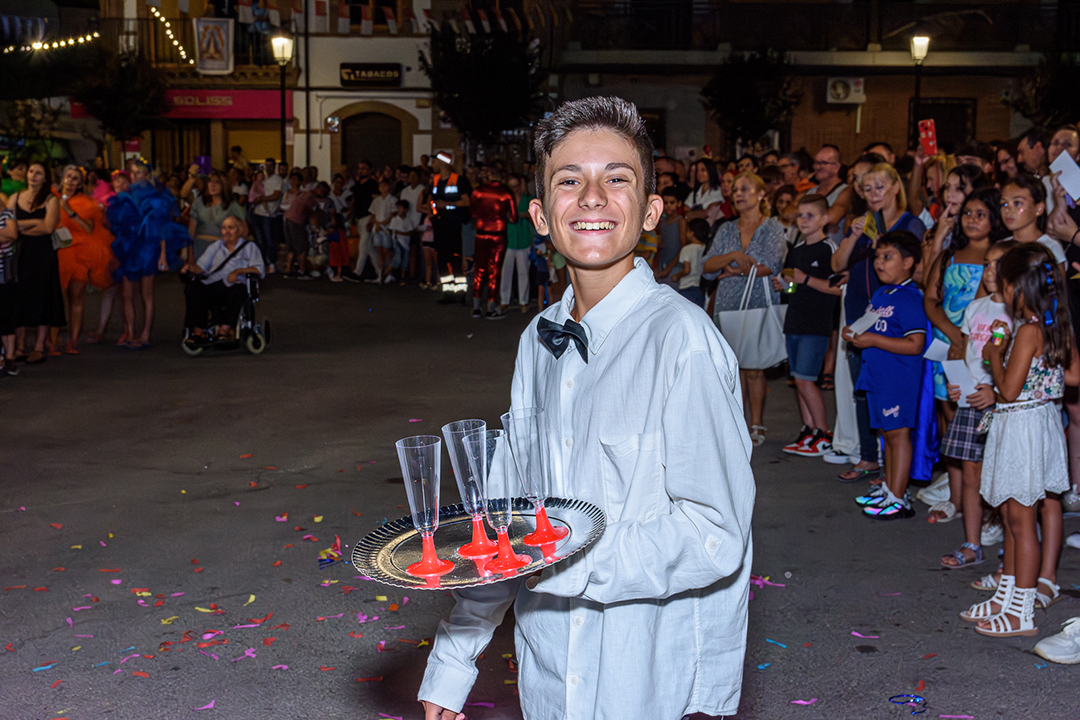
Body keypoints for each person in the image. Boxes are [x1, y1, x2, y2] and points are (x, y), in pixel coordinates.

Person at [417, 94, 755, 720]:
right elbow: (506, 513)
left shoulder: (682, 341)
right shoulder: (536, 340)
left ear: (651, 209)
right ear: (542, 215)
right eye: (570, 181)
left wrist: (564, 563)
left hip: (644, 672)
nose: (593, 197)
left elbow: (714, 536)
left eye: (616, 179)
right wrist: (455, 660)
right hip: (548, 666)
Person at [961, 244, 1078, 637]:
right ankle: (1007, 597)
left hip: (1022, 425)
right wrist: (1046, 379)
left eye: (1006, 283)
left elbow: (1008, 390)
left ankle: (1021, 612)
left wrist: (995, 353)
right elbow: (1074, 376)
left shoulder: (1028, 330)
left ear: (1017, 287)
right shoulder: (1050, 325)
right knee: (1012, 517)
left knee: (1021, 520)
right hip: (1034, 422)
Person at [924, 188, 1006, 523]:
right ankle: (957, 497)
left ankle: (986, 505)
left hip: (978, 348)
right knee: (949, 418)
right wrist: (954, 334)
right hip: (947, 343)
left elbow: (983, 308)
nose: (972, 219)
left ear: (994, 220)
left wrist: (966, 339)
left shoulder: (998, 260)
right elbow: (930, 300)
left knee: (978, 425)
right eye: (967, 213)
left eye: (981, 214)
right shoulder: (948, 257)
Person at [843, 230, 930, 520]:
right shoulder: (881, 294)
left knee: (898, 436)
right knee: (886, 435)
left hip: (898, 379)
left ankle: (898, 497)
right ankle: (891, 489)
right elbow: (868, 325)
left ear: (908, 262)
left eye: (888, 257)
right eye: (878, 257)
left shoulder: (909, 298)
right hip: (878, 377)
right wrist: (854, 332)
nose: (880, 263)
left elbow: (915, 344)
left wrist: (873, 341)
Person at [940, 240, 1015, 568]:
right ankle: (972, 543)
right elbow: (968, 352)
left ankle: (1009, 551)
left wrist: (995, 394)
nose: (990, 271)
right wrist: (957, 384)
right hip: (971, 400)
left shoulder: (1016, 314)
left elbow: (1016, 364)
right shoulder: (976, 308)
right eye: (987, 263)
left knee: (1003, 477)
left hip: (1002, 402)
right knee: (971, 475)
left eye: (999, 264)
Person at [702, 172, 787, 446]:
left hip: (758, 301)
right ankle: (736, 422)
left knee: (754, 367)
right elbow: (707, 265)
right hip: (727, 303)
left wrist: (731, 272)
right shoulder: (726, 229)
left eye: (745, 189)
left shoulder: (772, 228)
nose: (738, 194)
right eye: (736, 189)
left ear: (761, 195)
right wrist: (734, 257)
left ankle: (757, 423)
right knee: (732, 366)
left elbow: (771, 265)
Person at [775, 194, 841, 457]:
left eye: (810, 215)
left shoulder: (828, 249)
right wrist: (785, 285)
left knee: (805, 379)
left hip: (816, 322)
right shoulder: (797, 249)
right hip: (795, 319)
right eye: (800, 215)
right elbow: (794, 285)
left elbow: (837, 289)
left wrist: (805, 280)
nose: (803, 220)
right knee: (798, 378)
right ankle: (809, 429)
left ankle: (824, 433)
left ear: (825, 219)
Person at [106, 162, 190, 349]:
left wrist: (162, 255)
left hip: (148, 249)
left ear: (148, 175)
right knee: (127, 293)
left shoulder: (155, 198)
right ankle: (131, 332)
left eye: (140, 173)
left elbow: (161, 229)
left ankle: (145, 334)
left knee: (147, 293)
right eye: (133, 173)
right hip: (129, 247)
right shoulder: (126, 196)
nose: (136, 177)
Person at [55, 165, 116, 353]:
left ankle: (72, 340)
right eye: (68, 177)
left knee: (77, 296)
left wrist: (69, 211)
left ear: (80, 183)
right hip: (56, 251)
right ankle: (52, 339)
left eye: (75, 178)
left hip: (78, 254)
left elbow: (89, 229)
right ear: (62, 178)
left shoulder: (87, 203)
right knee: (57, 299)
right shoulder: (51, 198)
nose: (71, 181)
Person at [7, 161, 62, 364]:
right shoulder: (15, 198)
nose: (33, 176)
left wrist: (20, 228)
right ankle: (20, 346)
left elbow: (48, 228)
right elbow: (8, 226)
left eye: (38, 173)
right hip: (20, 253)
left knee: (42, 297)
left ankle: (39, 346)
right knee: (18, 296)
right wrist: (33, 222)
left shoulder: (51, 200)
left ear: (45, 178)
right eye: (31, 171)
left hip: (42, 254)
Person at [181, 215, 264, 344]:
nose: (226, 231)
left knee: (239, 290)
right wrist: (189, 268)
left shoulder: (249, 247)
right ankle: (198, 331)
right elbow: (201, 267)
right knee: (193, 288)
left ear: (239, 230)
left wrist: (238, 271)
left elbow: (259, 269)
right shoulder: (215, 247)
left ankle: (224, 331)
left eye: (231, 227)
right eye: (224, 228)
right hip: (214, 283)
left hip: (235, 285)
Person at [469, 166, 516, 318]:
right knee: (494, 270)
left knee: (479, 268)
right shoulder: (506, 193)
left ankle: (476, 306)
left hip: (481, 233)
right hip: (498, 233)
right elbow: (514, 218)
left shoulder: (478, 191)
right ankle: (491, 305)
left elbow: (472, 213)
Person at [1000, 173, 1064, 265]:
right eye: (1004, 204)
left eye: (1017, 203)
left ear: (1038, 208)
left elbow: (1057, 279)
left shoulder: (1049, 247)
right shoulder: (1001, 247)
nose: (1007, 210)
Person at [429, 154, 471, 279]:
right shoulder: (435, 180)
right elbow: (431, 198)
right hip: (439, 223)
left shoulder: (459, 180)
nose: (433, 165)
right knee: (442, 257)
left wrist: (447, 204)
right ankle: (447, 292)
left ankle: (459, 293)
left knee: (455, 257)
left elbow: (467, 201)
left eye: (435, 162)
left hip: (454, 223)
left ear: (442, 163)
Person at [187, 172, 246, 262]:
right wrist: (190, 256)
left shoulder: (231, 205)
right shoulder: (199, 202)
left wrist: (233, 248)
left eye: (217, 182)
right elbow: (191, 232)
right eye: (210, 182)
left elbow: (244, 229)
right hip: (200, 247)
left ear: (223, 185)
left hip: (221, 248)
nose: (212, 185)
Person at [499, 173, 535, 313]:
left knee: (523, 272)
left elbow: (539, 220)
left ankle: (523, 301)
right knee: (506, 272)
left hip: (525, 239)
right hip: (508, 240)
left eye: (517, 185)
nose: (516, 189)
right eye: (512, 187)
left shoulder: (530, 200)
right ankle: (504, 300)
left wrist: (528, 216)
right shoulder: (505, 200)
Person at [250, 159, 284, 273]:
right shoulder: (263, 179)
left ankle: (272, 262)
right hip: (258, 212)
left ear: (274, 167)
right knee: (260, 240)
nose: (268, 168)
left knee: (269, 240)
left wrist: (262, 199)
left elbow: (275, 195)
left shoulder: (277, 179)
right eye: (267, 166)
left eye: (271, 166)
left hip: (268, 214)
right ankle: (263, 262)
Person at [668, 217, 708, 306]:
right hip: (700, 287)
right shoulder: (706, 248)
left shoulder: (687, 249)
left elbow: (687, 270)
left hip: (687, 287)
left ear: (691, 233)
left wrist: (676, 276)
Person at [653, 187, 688, 285]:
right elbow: (661, 247)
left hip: (675, 267)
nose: (668, 206)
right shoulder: (662, 223)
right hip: (662, 266)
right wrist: (656, 267)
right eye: (665, 203)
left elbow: (683, 247)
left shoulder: (680, 221)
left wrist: (670, 267)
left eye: (672, 203)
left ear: (679, 203)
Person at [367, 179, 398, 283]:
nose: (382, 188)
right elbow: (372, 214)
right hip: (378, 228)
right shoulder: (376, 200)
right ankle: (380, 273)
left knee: (387, 250)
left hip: (386, 228)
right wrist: (376, 223)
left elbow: (392, 214)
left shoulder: (392, 200)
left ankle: (389, 273)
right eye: (381, 186)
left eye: (384, 186)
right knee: (379, 250)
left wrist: (381, 224)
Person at [0, 207, 18, 376]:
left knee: (6, 315)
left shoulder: (6, 213)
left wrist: (6, 234)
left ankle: (10, 357)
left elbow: (12, 234)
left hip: (4, 275)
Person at [387, 199, 417, 285]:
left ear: (406, 210)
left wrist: (401, 233)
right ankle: (386, 274)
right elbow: (393, 231)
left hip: (406, 243)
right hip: (397, 242)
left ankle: (402, 278)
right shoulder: (395, 219)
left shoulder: (408, 220)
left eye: (400, 208)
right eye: (398, 208)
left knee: (405, 260)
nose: (398, 210)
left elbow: (410, 232)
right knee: (397, 258)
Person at [684, 159, 724, 223]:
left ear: (710, 170)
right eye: (697, 171)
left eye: (703, 170)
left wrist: (691, 214)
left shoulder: (719, 192)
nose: (699, 173)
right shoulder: (694, 193)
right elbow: (685, 210)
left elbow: (708, 212)